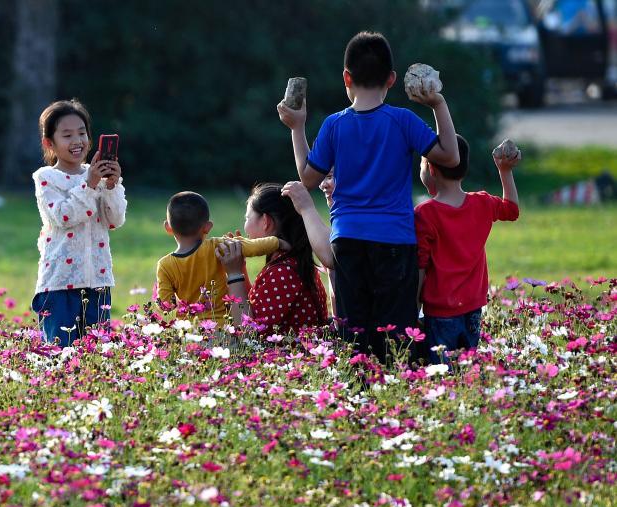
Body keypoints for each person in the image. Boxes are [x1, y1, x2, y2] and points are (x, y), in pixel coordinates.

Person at [277, 31, 460, 359]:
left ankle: (359, 400)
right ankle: (394, 393)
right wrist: (438, 103)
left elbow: (307, 177)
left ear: (346, 77)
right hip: (395, 241)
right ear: (391, 79)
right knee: (396, 338)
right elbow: (450, 157)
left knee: (354, 336)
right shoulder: (403, 120)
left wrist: (297, 128)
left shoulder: (334, 125)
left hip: (347, 241)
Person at [415, 135, 521, 363]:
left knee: (441, 375)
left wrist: (413, 309)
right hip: (473, 309)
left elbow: (420, 267)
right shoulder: (482, 203)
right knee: (466, 372)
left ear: (431, 169)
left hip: (440, 313)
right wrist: (504, 170)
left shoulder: (425, 214)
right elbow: (511, 210)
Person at [30, 99, 126, 345]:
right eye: (67, 135)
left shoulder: (97, 175)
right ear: (49, 143)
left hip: (98, 282)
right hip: (60, 284)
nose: (77, 141)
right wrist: (90, 184)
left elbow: (115, 219)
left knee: (95, 357)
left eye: (82, 133)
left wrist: (112, 185)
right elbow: (64, 216)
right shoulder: (46, 178)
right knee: (61, 352)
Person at [155, 191, 291, 320]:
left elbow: (166, 305)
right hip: (222, 327)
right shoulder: (218, 246)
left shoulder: (165, 265)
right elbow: (254, 247)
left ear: (168, 227)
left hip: (190, 332)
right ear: (207, 227)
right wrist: (277, 242)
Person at [216, 183, 329, 334]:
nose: (244, 227)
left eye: (247, 217)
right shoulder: (291, 262)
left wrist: (234, 275)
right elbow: (255, 306)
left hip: (289, 356)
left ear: (265, 222)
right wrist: (240, 269)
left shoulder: (283, 272)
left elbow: (248, 331)